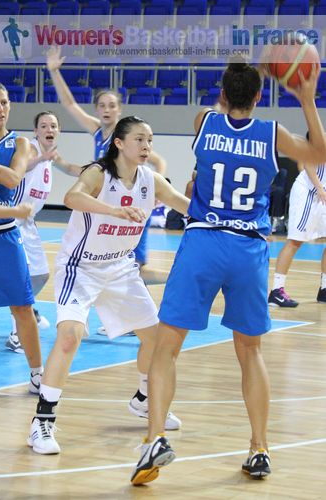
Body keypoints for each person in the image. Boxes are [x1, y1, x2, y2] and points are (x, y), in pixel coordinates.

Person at [131, 62, 326, 485]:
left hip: (203, 243)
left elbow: (219, 107)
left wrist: (234, 89)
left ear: (223, 93)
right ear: (260, 98)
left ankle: (156, 438)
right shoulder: (274, 133)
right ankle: (259, 448)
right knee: (250, 353)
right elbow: (320, 155)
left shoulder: (205, 122)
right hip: (249, 250)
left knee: (166, 348)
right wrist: (307, 98)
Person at [27, 116, 190, 455]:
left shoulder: (150, 180)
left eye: (150, 140)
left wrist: (221, 216)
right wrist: (113, 211)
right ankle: (42, 421)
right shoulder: (98, 174)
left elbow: (182, 203)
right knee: (70, 336)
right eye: (139, 140)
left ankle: (145, 399)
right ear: (119, 143)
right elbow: (72, 197)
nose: (146, 146)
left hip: (121, 269)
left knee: (156, 339)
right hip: (81, 267)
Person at [46, 46, 168, 332]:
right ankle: (113, 313)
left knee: (132, 267)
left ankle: (158, 295)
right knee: (123, 267)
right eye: (101, 106)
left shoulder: (129, 136)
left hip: (128, 210)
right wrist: (53, 71)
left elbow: (158, 162)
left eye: (111, 106)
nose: (106, 110)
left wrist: (150, 194)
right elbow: (69, 105)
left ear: (120, 109)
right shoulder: (98, 132)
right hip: (105, 212)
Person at [5, 110, 82, 354]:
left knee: (40, 274)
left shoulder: (51, 155)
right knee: (20, 276)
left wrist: (98, 169)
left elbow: (70, 168)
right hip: (12, 219)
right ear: (36, 131)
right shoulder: (28, 147)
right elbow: (21, 168)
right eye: (44, 125)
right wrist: (41, 158)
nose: (50, 129)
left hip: (29, 222)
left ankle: (28, 309)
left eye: (54, 126)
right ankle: (18, 331)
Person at [0, 81, 43, 393]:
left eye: (4, 103)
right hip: (6, 220)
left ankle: (38, 374)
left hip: (4, 238)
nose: (1, 109)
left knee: (23, 307)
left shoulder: (20, 143)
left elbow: (12, 179)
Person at [268, 132, 326, 307]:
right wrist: (319, 188)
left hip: (322, 193)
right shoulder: (319, 137)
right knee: (295, 242)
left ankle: (324, 289)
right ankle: (276, 291)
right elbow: (306, 164)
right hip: (309, 192)